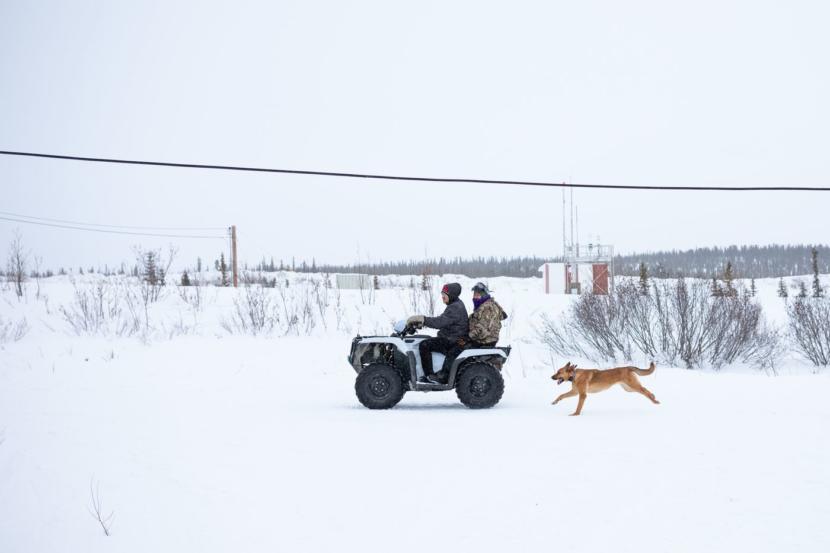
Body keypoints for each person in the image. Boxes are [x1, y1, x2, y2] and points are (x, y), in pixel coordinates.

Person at [407, 282, 469, 384]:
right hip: (452, 337)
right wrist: (422, 323)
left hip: (453, 340)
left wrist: (423, 319)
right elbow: (445, 321)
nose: (442, 297)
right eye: (442, 294)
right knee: (426, 340)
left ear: (452, 295)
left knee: (424, 345)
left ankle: (429, 376)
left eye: (445, 295)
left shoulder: (455, 307)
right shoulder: (455, 304)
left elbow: (440, 322)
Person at [467, 282, 507, 347]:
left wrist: (467, 337)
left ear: (484, 295)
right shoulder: (482, 306)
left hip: (484, 342)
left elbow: (482, 330)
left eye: (477, 295)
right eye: (474, 294)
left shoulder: (488, 308)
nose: (474, 297)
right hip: (481, 339)